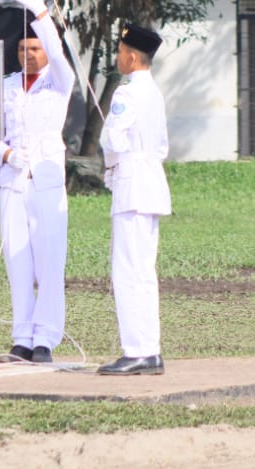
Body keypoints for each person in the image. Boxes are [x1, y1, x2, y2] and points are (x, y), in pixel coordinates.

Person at [0, 0, 73, 364]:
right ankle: (22, 334)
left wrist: (41, 15)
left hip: (47, 181)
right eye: (23, 50)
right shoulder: (5, 85)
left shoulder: (58, 81)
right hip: (13, 180)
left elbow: (56, 50)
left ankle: (46, 338)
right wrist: (4, 153)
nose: (29, 55)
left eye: (34, 49)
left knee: (49, 262)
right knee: (18, 261)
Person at [98, 23, 171, 376]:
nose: (118, 58)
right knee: (143, 270)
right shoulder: (154, 92)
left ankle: (137, 349)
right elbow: (161, 146)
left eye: (119, 52)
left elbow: (111, 137)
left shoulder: (127, 93)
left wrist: (114, 166)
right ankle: (149, 348)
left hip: (132, 183)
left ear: (130, 55)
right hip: (151, 182)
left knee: (128, 270)